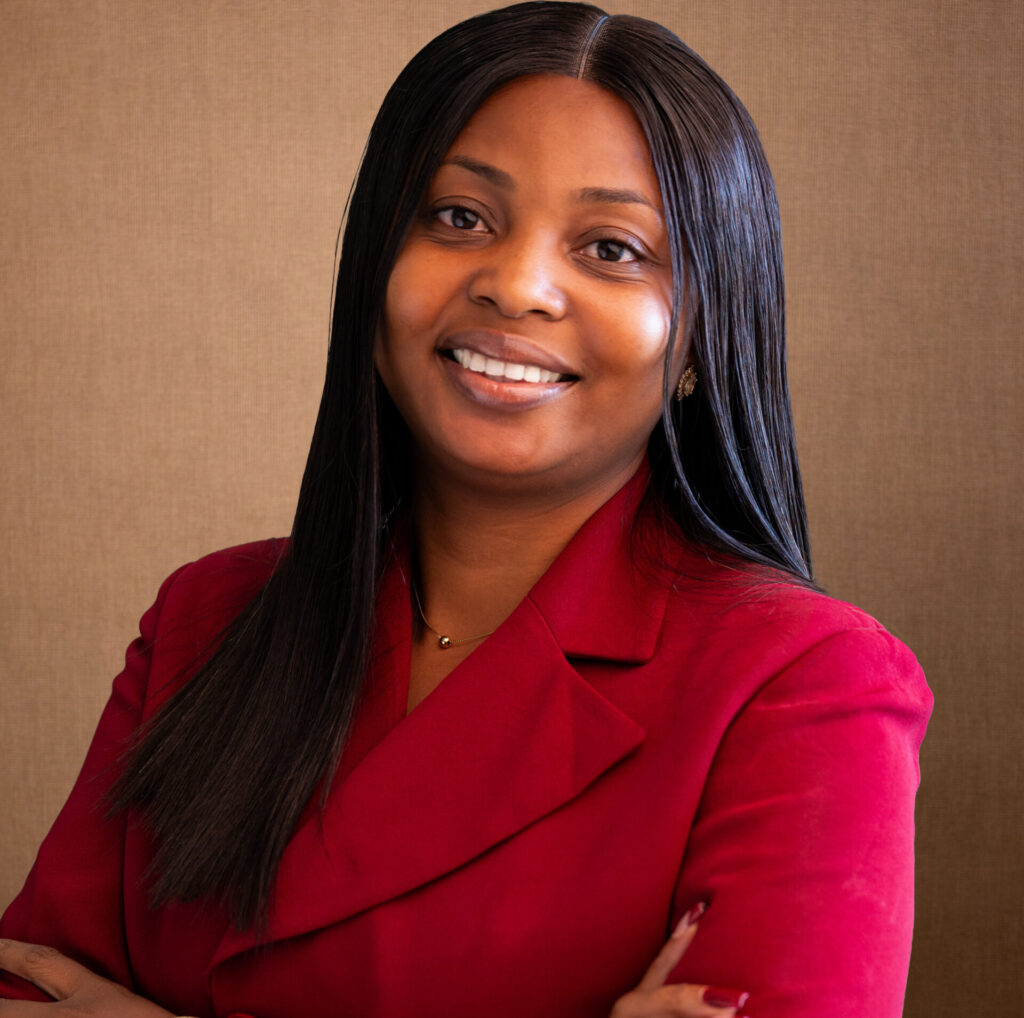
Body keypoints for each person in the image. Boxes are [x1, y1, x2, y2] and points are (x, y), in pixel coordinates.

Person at [0, 3, 931, 1016]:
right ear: (375, 262)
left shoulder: (805, 684)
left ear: (704, 336)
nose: (517, 286)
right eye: (459, 218)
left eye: (611, 247)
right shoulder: (205, 618)